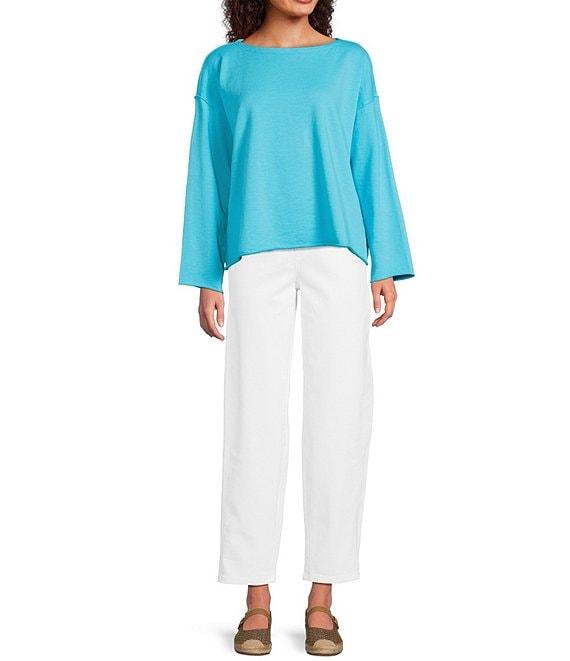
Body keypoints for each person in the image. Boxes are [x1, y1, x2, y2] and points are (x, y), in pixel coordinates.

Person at [179, 0, 414, 655]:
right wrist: (205, 272)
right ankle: (256, 597)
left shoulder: (349, 63)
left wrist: (385, 260)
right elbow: (209, 169)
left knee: (340, 417)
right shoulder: (224, 68)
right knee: (253, 418)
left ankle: (322, 597)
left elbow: (370, 157)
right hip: (252, 253)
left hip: (339, 252)